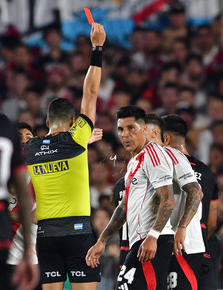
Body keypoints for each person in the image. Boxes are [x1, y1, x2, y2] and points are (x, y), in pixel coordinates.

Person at [24, 23, 106, 290]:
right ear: (73, 121)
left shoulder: (32, 148)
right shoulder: (76, 137)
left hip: (46, 235)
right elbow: (90, 94)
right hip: (77, 232)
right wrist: (97, 48)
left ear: (47, 120)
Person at [86, 106, 176, 290]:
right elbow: (124, 207)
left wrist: (153, 236)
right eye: (120, 129)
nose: (125, 134)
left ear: (144, 129)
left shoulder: (153, 155)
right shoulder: (135, 161)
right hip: (140, 242)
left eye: (131, 128)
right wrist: (102, 240)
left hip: (151, 242)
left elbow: (168, 200)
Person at [0, 104, 39, 290]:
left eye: (28, 136)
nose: (24, 141)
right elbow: (23, 197)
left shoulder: (39, 174)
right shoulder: (2, 126)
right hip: (0, 239)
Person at [162, 114, 220, 290]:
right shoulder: (206, 171)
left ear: (166, 138)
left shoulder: (165, 168)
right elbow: (211, 222)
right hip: (202, 252)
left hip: (177, 253)